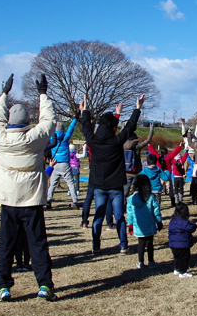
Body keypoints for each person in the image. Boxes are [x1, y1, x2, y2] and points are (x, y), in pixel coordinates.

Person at [0, 73, 57, 303]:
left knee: (5, 243)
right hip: (31, 198)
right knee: (37, 243)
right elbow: (49, 120)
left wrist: (4, 94)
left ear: (9, 121)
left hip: (7, 198)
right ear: (29, 122)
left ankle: (3, 286)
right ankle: (45, 284)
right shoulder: (34, 137)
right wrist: (43, 94)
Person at [81, 94, 145, 255]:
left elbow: (86, 127)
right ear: (112, 127)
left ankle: (96, 246)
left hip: (99, 185)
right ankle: (123, 245)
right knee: (119, 216)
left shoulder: (93, 141)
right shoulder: (116, 141)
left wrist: (85, 110)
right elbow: (130, 126)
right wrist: (137, 108)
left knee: (98, 217)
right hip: (116, 185)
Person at [126, 174, 163, 269]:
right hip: (150, 225)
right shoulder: (150, 197)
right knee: (150, 244)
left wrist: (130, 225)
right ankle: (151, 261)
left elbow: (129, 214)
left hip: (138, 226)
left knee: (141, 244)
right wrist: (159, 222)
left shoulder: (132, 199)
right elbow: (156, 211)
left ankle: (140, 262)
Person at [46, 117, 79, 209]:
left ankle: (49, 200)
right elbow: (71, 128)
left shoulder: (52, 138)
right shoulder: (65, 138)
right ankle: (75, 201)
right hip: (65, 163)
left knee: (52, 183)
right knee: (70, 183)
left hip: (55, 162)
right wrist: (75, 119)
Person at [123, 123, 154, 196]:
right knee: (137, 189)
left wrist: (123, 129)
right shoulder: (137, 146)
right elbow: (147, 140)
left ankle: (123, 203)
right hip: (136, 170)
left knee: (125, 190)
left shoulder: (123, 145)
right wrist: (151, 130)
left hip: (126, 170)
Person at [168, 202, 197, 277]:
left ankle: (176, 269)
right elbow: (191, 228)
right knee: (184, 258)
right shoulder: (184, 222)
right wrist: (194, 224)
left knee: (177, 257)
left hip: (173, 244)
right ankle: (183, 272)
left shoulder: (172, 221)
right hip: (183, 245)